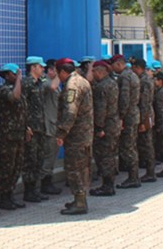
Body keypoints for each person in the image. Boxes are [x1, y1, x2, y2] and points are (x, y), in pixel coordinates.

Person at [53, 59, 93, 215]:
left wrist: (61, 132)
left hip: (77, 135)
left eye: (58, 73)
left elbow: (70, 111)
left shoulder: (72, 85)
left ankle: (80, 202)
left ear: (63, 71)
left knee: (75, 168)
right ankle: (79, 199)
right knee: (82, 167)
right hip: (83, 134)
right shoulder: (82, 81)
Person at [0, 63, 26, 211]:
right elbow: (14, 97)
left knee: (16, 166)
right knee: (6, 167)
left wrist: (26, 127)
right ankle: (4, 197)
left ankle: (11, 194)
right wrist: (19, 79)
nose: (17, 76)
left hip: (19, 133)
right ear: (7, 75)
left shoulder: (18, 88)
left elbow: (22, 111)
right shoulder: (3, 90)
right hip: (7, 135)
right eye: (15, 74)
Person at [90, 60, 120, 196]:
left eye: (94, 71)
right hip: (113, 123)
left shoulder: (102, 86)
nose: (92, 74)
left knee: (105, 156)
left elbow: (101, 109)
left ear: (100, 72)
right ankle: (109, 183)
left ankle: (107, 186)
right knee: (110, 154)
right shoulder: (112, 83)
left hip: (106, 125)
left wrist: (99, 127)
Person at [21, 56, 49, 202]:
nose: (43, 69)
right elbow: (22, 105)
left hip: (40, 126)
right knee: (30, 160)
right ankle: (29, 190)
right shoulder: (26, 83)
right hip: (31, 127)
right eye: (40, 66)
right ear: (33, 67)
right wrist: (26, 126)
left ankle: (35, 190)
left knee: (39, 158)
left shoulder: (39, 83)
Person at [111, 54, 141, 188]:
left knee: (127, 147)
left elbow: (124, 99)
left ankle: (133, 177)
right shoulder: (133, 75)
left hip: (128, 116)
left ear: (118, 64)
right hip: (134, 114)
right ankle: (134, 176)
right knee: (132, 146)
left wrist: (121, 117)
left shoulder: (124, 76)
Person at [130, 58, 156, 182]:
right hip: (145, 114)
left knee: (147, 144)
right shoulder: (145, 79)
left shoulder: (145, 81)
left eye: (133, 68)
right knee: (145, 144)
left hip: (145, 115)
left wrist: (142, 121)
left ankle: (150, 172)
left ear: (138, 67)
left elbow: (144, 102)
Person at [40, 59, 63, 196]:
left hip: (54, 123)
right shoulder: (46, 82)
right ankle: (45, 183)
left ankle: (48, 181)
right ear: (50, 71)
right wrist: (59, 75)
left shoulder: (55, 83)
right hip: (48, 124)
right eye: (56, 69)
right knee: (49, 155)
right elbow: (52, 88)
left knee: (52, 154)